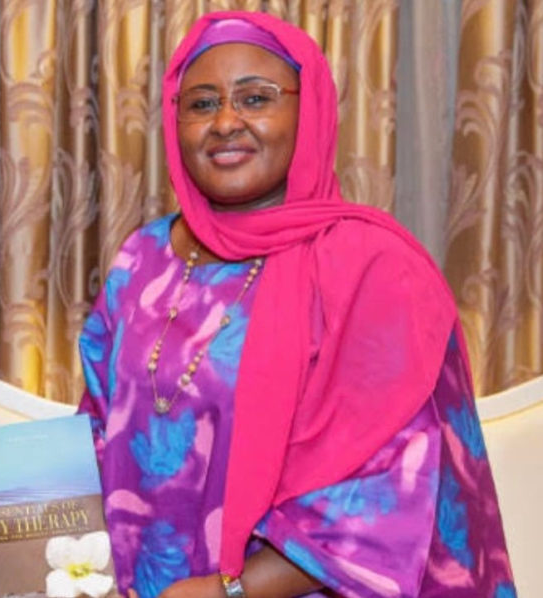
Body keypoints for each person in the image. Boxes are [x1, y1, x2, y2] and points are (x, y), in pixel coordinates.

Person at [77, 11, 516, 598]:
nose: (226, 122)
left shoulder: (373, 270)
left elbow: (386, 484)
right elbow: (93, 433)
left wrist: (229, 591)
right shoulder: (144, 260)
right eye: (202, 104)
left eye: (255, 98)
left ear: (309, 111)